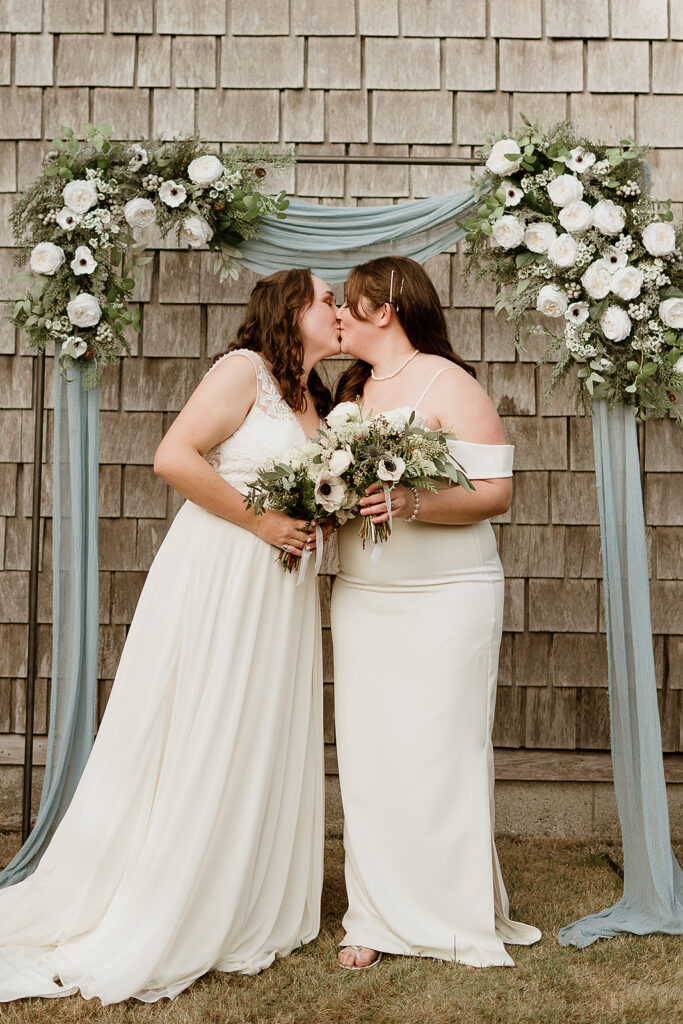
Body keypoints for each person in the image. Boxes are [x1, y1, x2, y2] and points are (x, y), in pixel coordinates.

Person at [0, 268, 340, 1004]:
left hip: (278, 593)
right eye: (327, 299)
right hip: (220, 570)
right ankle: (168, 884)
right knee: (204, 720)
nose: (339, 310)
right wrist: (260, 520)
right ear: (290, 310)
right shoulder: (241, 371)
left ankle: (242, 883)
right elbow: (174, 457)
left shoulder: (315, 396)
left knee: (255, 725)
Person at [331, 256, 541, 971]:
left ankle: (450, 917)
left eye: (347, 304)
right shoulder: (349, 388)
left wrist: (410, 502)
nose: (335, 315)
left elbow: (494, 492)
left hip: (447, 595)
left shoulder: (449, 382)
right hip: (363, 596)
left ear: (382, 309)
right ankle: (373, 915)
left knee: (439, 753)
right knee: (369, 757)